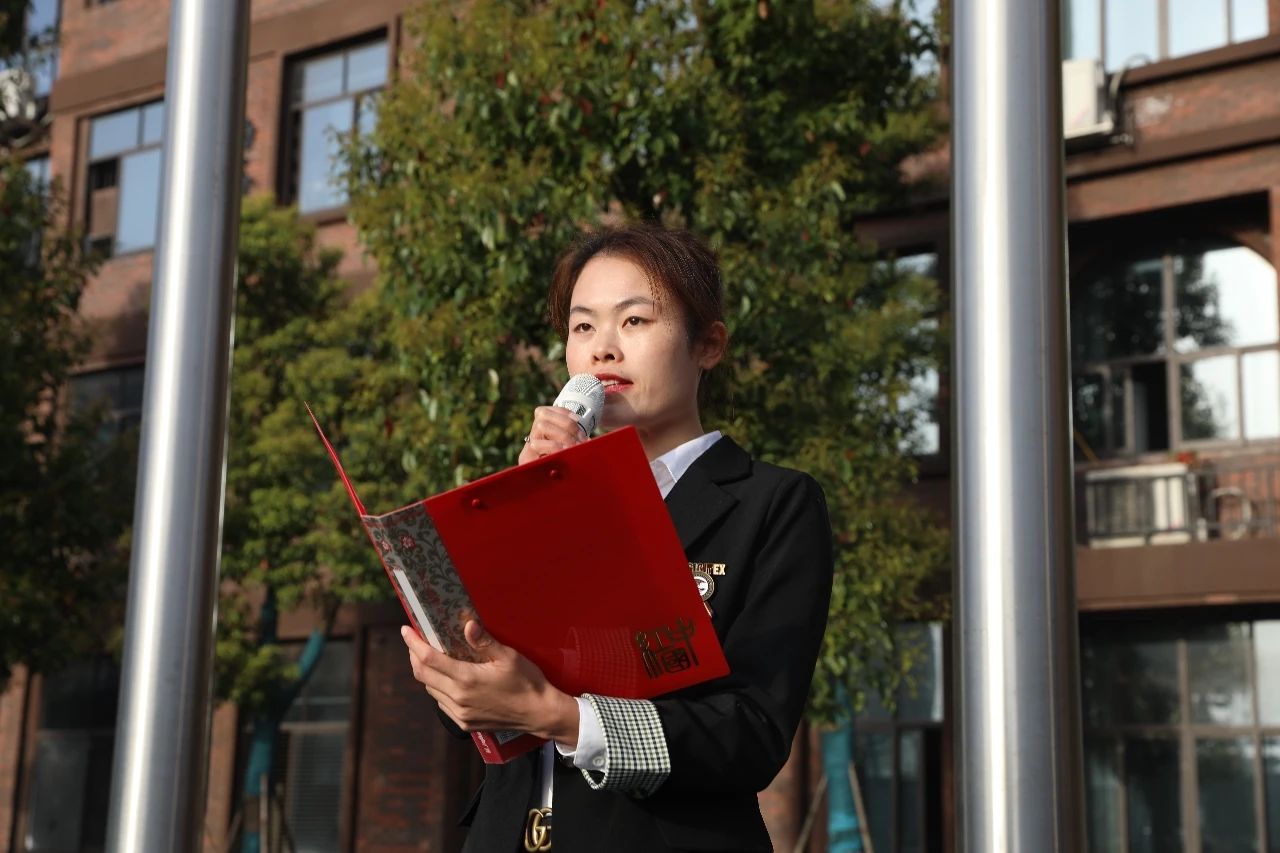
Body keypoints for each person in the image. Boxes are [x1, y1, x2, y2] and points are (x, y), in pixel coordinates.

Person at [401, 222, 834, 853]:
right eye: (583, 327)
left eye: (634, 321)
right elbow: (478, 704)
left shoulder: (773, 504)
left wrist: (561, 717)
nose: (603, 349)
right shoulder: (530, 502)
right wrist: (454, 675)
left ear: (707, 344)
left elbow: (750, 732)